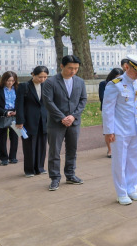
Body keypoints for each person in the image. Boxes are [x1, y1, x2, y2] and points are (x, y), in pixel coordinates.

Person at [102, 55, 137, 205]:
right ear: (126, 67)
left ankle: (132, 189)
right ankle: (121, 192)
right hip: (120, 129)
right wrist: (109, 131)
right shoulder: (114, 85)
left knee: (134, 161)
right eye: (136, 71)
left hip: (136, 128)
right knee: (120, 162)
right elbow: (107, 109)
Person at [43, 55, 88, 191]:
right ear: (62, 66)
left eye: (76, 68)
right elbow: (48, 102)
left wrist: (73, 116)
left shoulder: (80, 82)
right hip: (56, 122)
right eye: (70, 68)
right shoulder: (50, 82)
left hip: (74, 122)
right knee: (54, 152)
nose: (73, 71)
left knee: (72, 150)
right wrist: (62, 117)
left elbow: (83, 100)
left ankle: (70, 175)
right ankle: (55, 178)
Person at [15, 66, 49, 176]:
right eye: (40, 77)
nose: (42, 79)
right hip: (28, 120)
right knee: (29, 145)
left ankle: (40, 167)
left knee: (42, 144)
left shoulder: (46, 86)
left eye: (45, 77)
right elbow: (19, 105)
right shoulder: (24, 86)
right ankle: (29, 170)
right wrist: (19, 121)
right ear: (33, 74)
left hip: (44, 120)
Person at [0, 71, 19, 166]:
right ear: (4, 80)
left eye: (13, 81)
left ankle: (13, 157)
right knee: (2, 137)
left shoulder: (18, 90)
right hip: (2, 116)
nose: (10, 83)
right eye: (8, 80)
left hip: (15, 116)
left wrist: (17, 111)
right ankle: (4, 158)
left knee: (15, 137)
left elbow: (22, 102)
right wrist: (5, 112)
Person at [100, 68, 124, 158]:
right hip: (108, 109)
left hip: (119, 110)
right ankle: (109, 149)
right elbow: (102, 97)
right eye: (116, 77)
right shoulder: (104, 84)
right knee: (108, 130)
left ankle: (117, 148)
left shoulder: (122, 85)